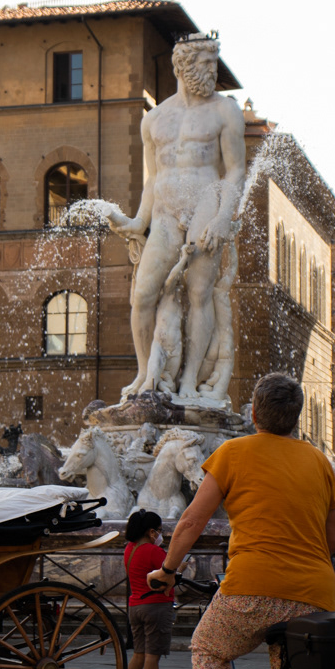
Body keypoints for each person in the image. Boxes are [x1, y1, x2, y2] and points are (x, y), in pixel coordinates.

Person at [147, 372, 335, 669]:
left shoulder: (232, 453)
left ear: (253, 413)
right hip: (315, 598)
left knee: (207, 649)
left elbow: (191, 521)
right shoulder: (319, 461)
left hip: (251, 589)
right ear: (296, 417)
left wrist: (168, 570)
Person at [110, 32, 246, 399]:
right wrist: (139, 222)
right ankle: (145, 375)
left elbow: (235, 170)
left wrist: (223, 218)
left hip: (206, 205)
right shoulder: (154, 119)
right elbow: (153, 178)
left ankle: (188, 381)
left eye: (214, 63)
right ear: (183, 66)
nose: (213, 70)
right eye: (206, 63)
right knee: (143, 294)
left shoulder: (225, 111)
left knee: (199, 294)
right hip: (166, 214)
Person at [119, 509, 175, 669]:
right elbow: (169, 573)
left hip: (135, 606)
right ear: (151, 532)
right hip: (156, 606)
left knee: (139, 654)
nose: (160, 535)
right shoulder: (153, 551)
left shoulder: (129, 549)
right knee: (153, 655)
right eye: (159, 531)